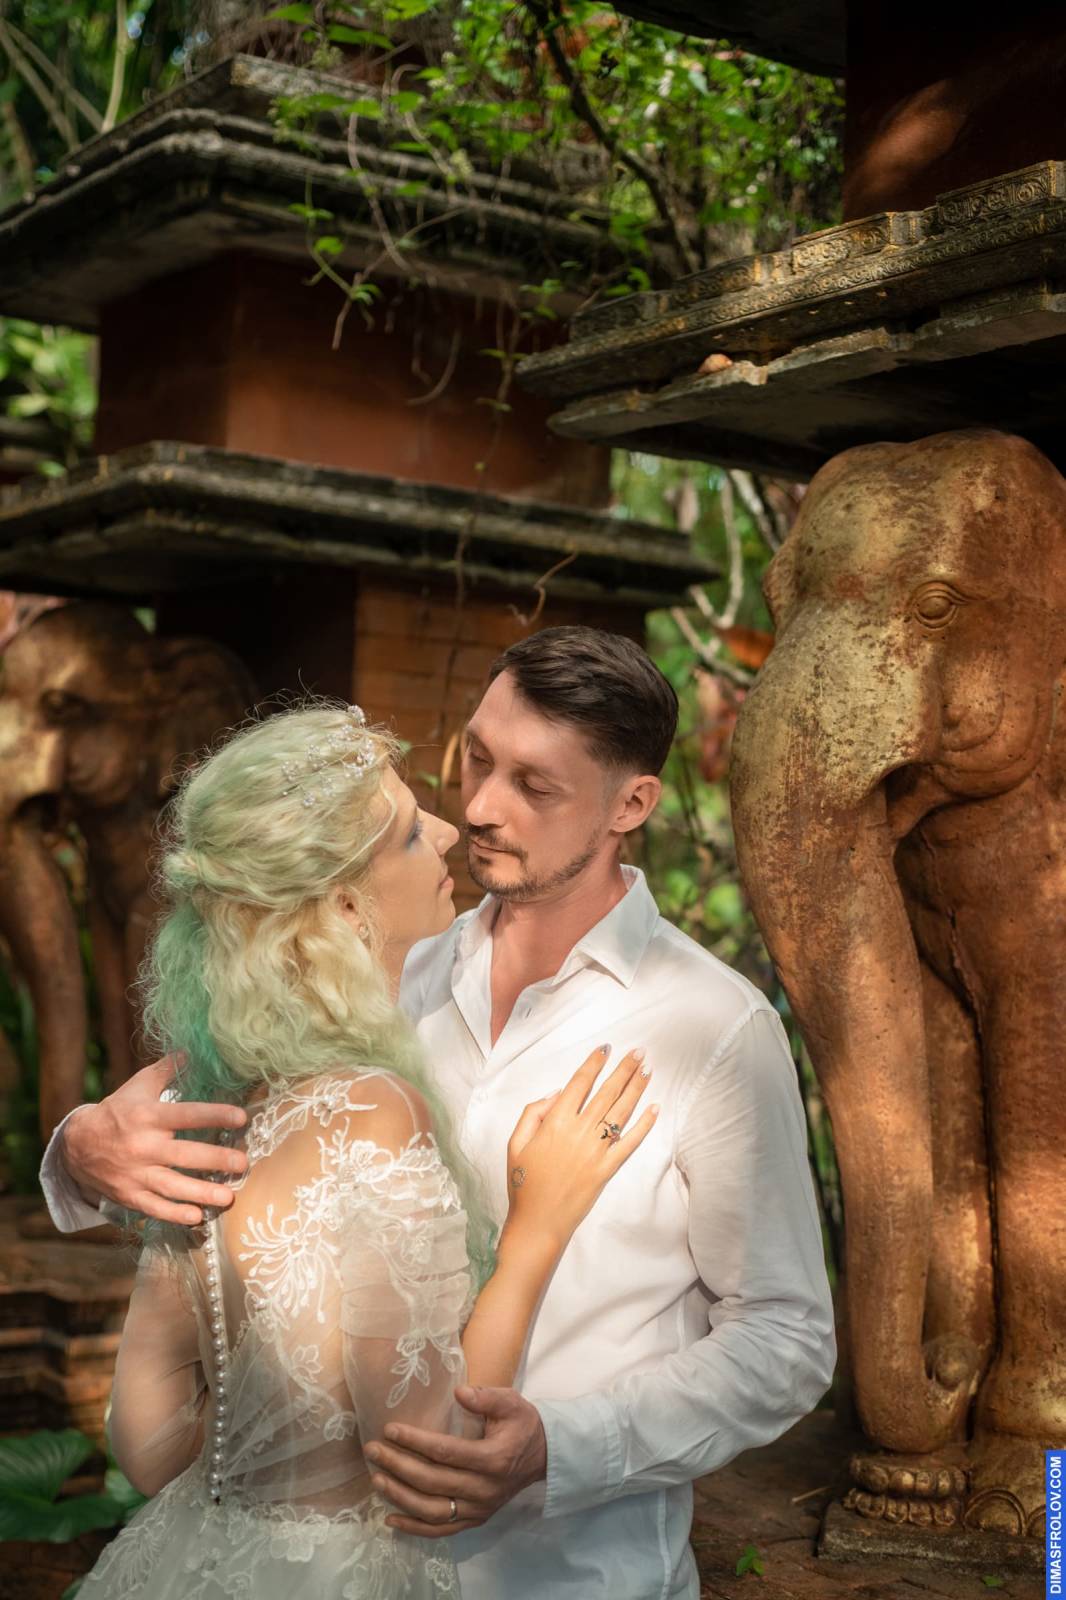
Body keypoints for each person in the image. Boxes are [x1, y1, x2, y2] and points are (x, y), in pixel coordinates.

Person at [42, 626, 836, 1600]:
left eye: (534, 785)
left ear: (630, 804)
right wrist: (79, 1152)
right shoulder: (361, 972)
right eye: (476, 758)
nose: (480, 808)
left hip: (571, 1577)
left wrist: (563, 1445)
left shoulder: (711, 1027)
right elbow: (207, 1172)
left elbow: (786, 1339)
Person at [72, 702, 657, 1599]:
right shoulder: (373, 1113)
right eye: (411, 834)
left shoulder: (215, 1112)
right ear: (345, 906)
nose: (449, 829)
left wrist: (264, 1467)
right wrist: (536, 1231)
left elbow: (146, 1447)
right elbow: (434, 1462)